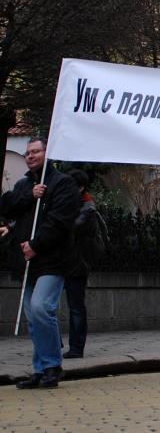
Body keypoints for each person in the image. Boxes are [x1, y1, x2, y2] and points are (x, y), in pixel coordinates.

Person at [1, 138, 80, 389]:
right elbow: (6, 207)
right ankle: (41, 368)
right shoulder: (24, 184)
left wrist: (36, 244)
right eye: (27, 153)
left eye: (36, 151)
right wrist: (29, 195)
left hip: (52, 260)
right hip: (26, 263)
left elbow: (60, 221)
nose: (30, 156)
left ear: (48, 153)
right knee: (33, 317)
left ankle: (52, 365)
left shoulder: (63, 183)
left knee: (40, 308)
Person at [63, 169, 103, 359]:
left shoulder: (87, 208)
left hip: (77, 262)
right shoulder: (73, 203)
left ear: (80, 188)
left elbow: (72, 228)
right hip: (66, 260)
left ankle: (76, 347)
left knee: (76, 305)